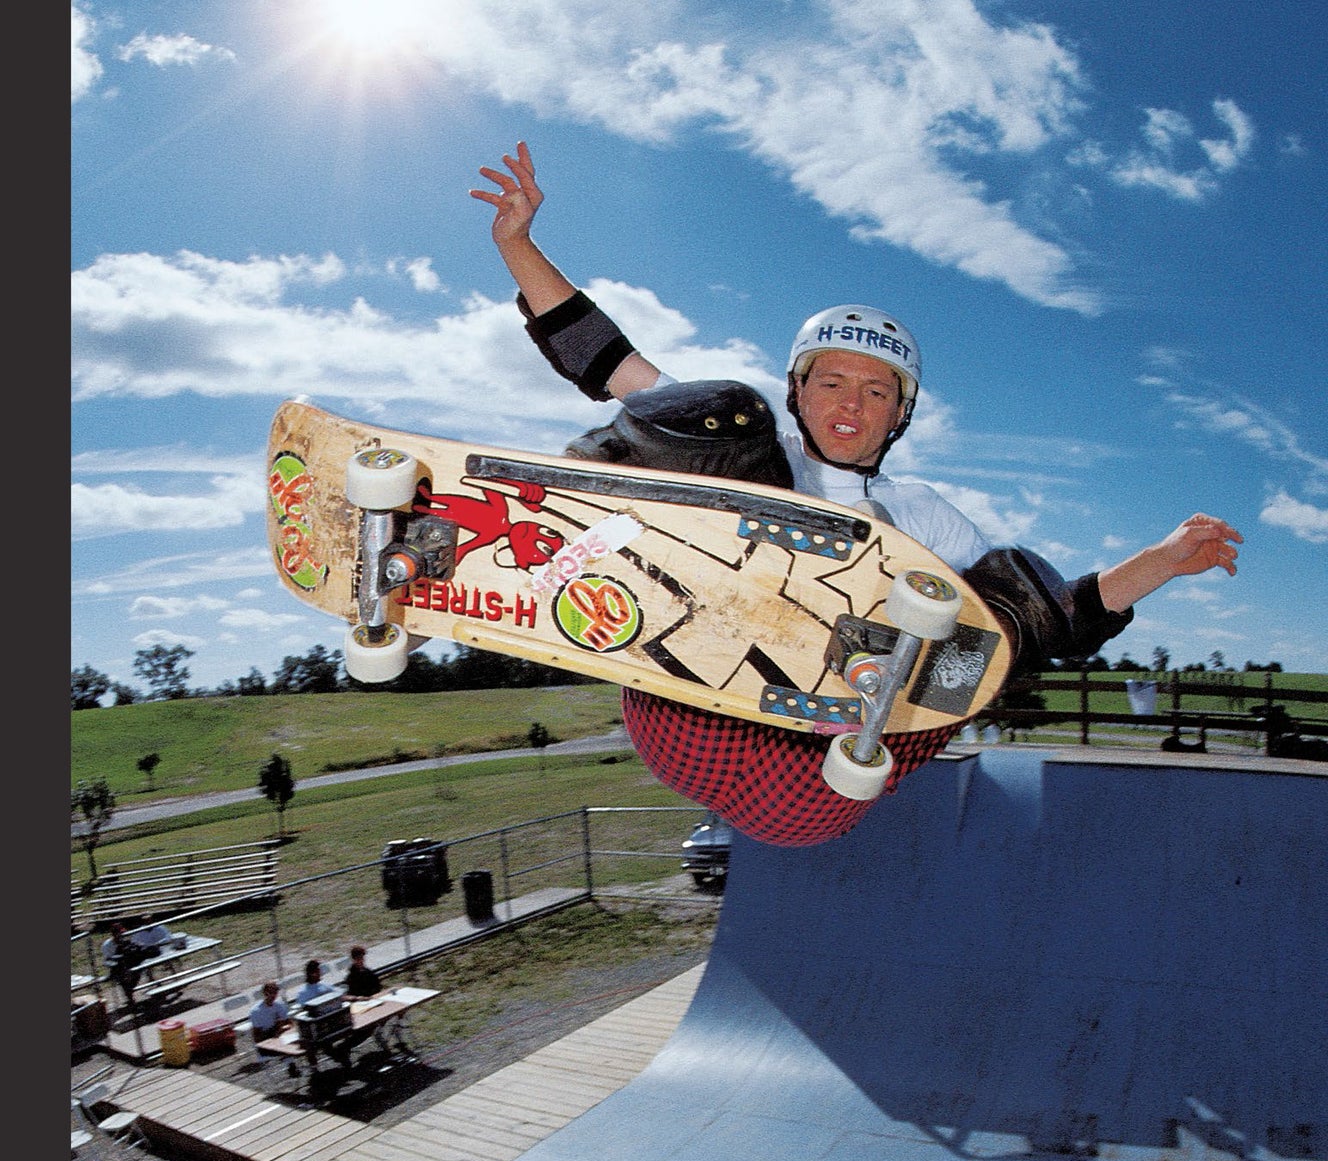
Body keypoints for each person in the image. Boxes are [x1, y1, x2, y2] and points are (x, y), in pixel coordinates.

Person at [471, 141, 1244, 844]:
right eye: (832, 382)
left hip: (826, 770)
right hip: (692, 715)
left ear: (900, 415)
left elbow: (1050, 621)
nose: (850, 404)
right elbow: (609, 363)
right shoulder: (743, 453)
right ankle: (577, 526)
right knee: (711, 412)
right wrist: (518, 245)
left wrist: (1164, 560)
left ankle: (861, 677)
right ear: (800, 392)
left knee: (998, 594)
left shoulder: (922, 510)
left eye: (876, 392)